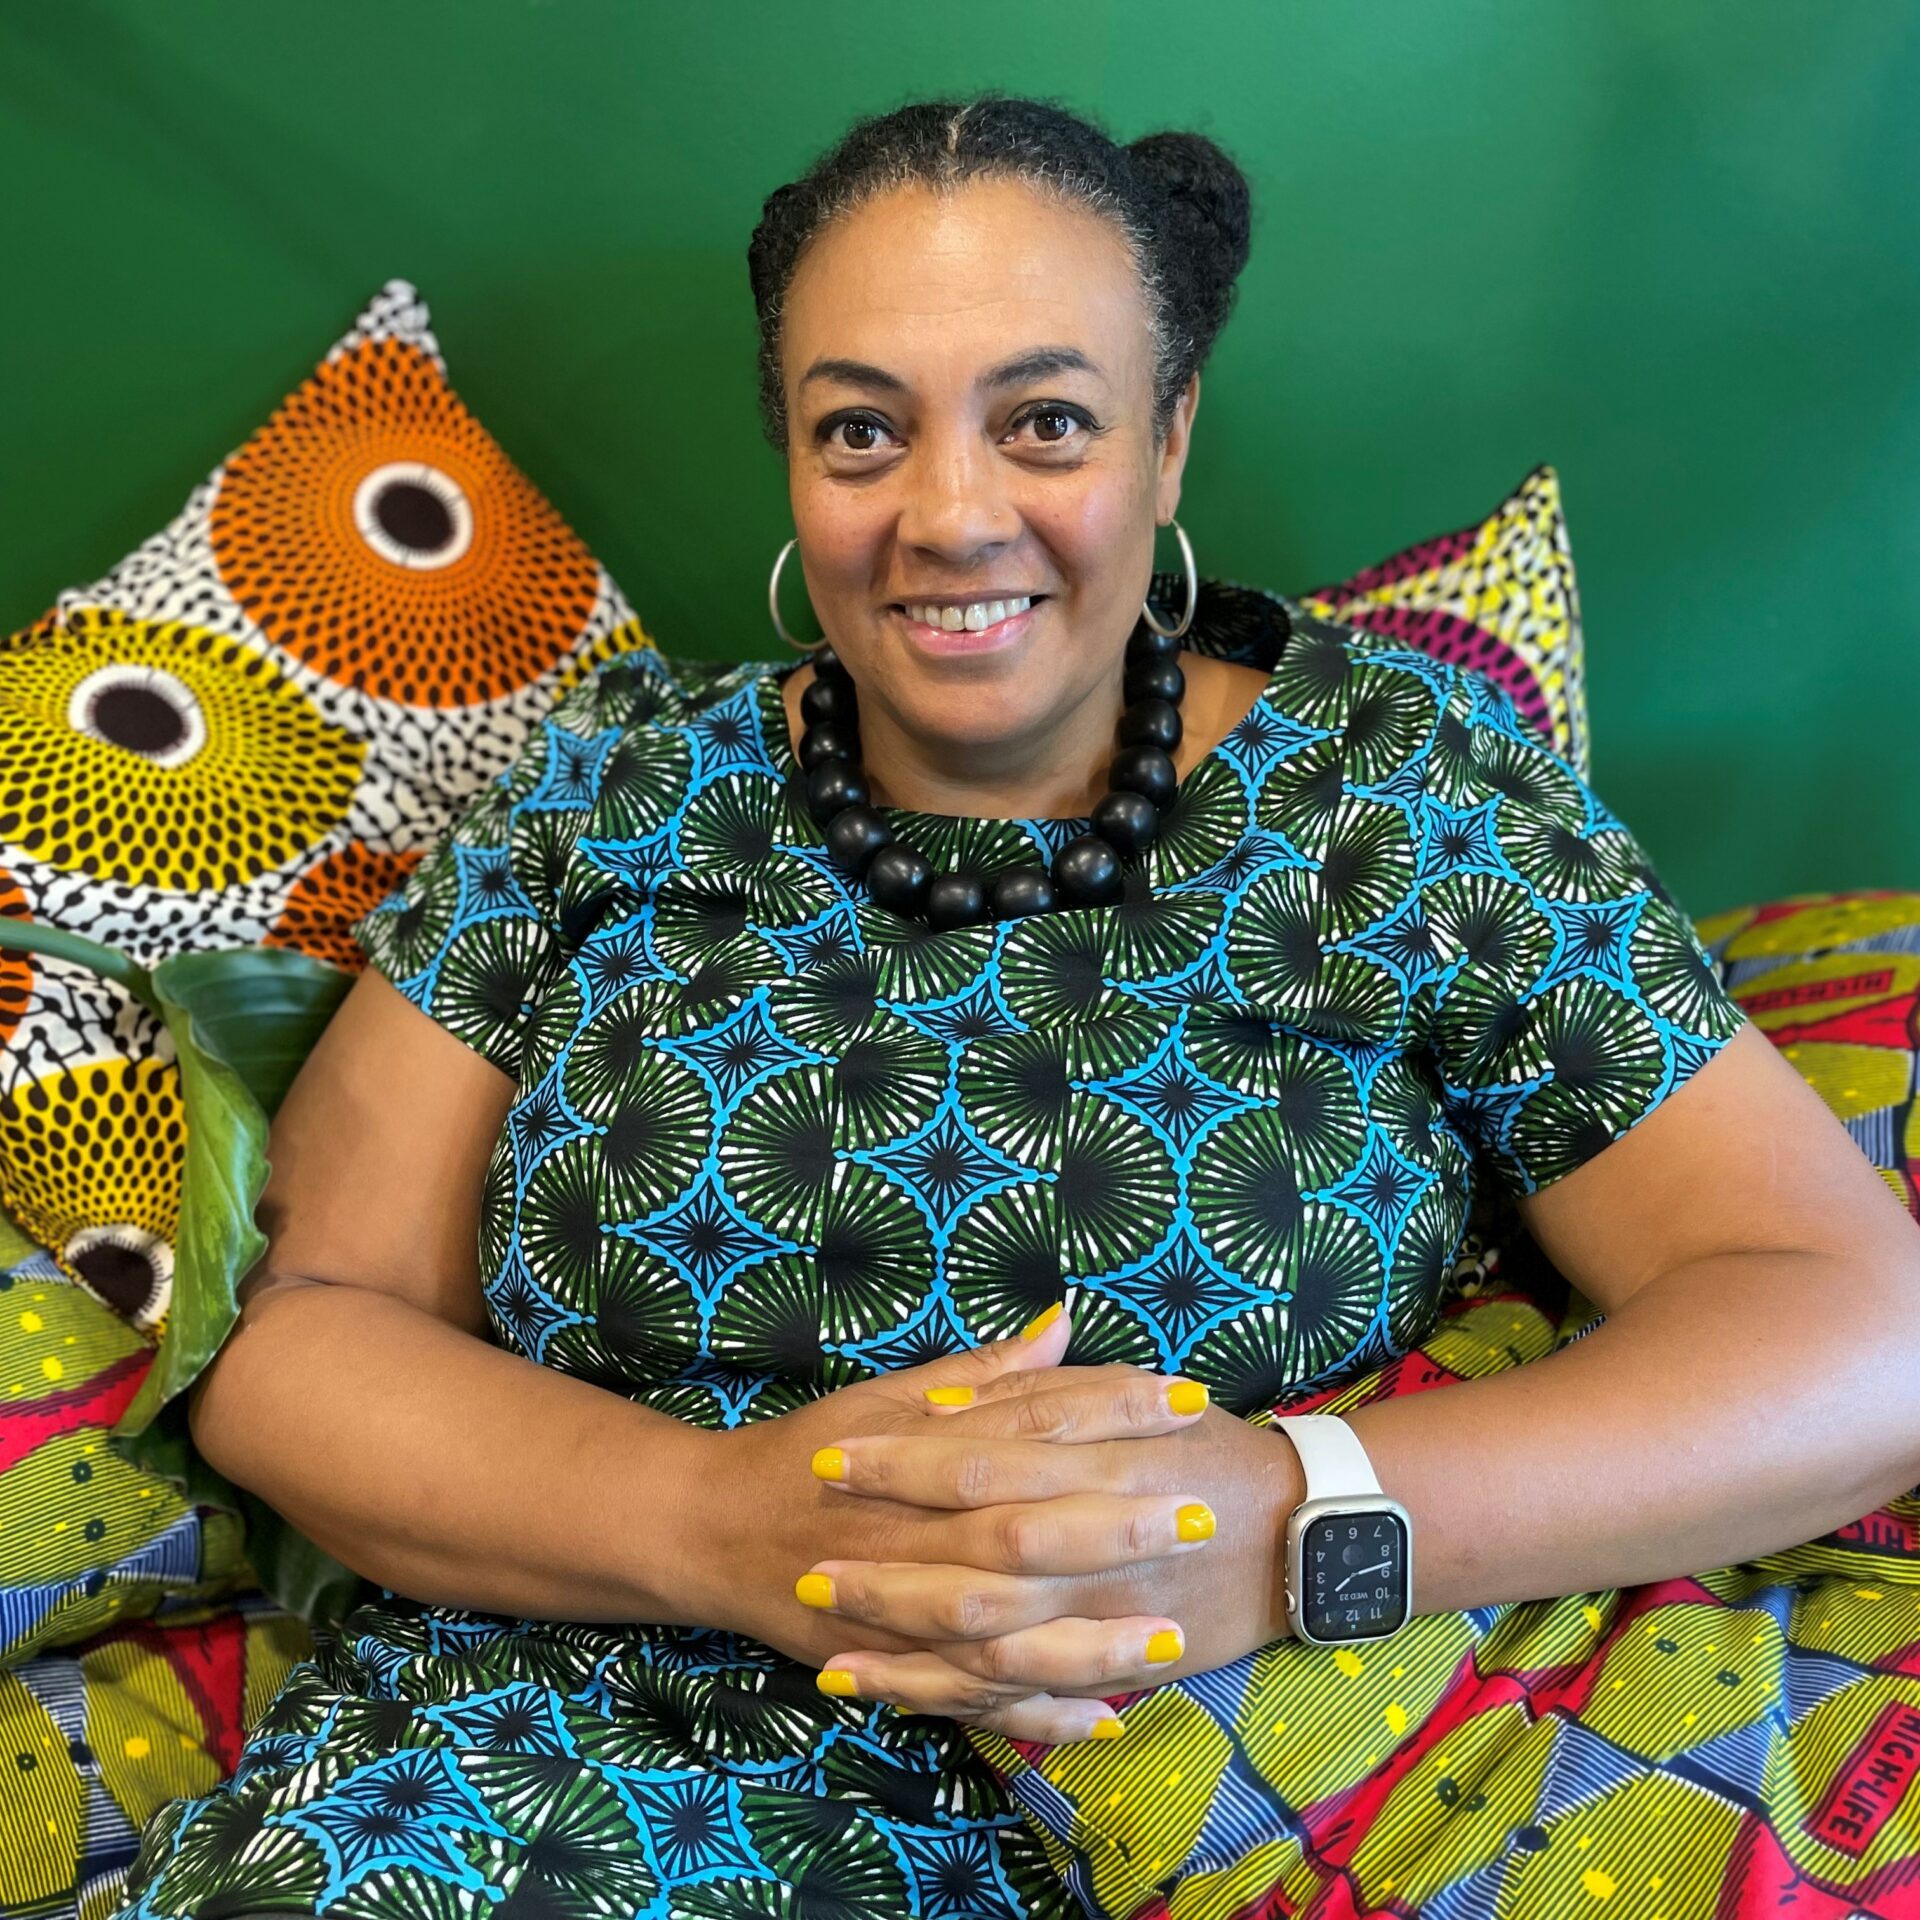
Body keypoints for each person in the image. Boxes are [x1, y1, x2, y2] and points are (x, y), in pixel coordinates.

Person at [116, 96, 1920, 1920]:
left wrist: (1295, 1527)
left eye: (1043, 420)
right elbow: (304, 1340)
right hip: (549, 1776)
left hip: (1229, 1779)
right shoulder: (612, 802)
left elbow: (1855, 1331)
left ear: (1169, 435)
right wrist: (722, 1527)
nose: (950, 515)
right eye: (860, 431)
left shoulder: (1394, 798)